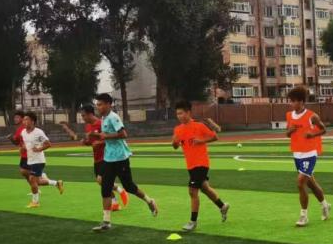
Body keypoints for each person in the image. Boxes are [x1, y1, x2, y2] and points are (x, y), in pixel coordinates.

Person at [88, 93, 158, 232]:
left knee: (129, 187)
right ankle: (106, 222)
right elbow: (107, 137)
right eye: (97, 105)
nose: (98, 107)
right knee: (105, 189)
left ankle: (150, 201)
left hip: (120, 158)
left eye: (100, 104)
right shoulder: (104, 118)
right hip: (108, 158)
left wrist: (106, 136)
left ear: (108, 104)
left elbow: (123, 134)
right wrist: (98, 137)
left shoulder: (113, 117)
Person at [172, 101, 229, 231]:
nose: (179, 116)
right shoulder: (178, 129)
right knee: (205, 188)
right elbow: (175, 146)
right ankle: (222, 206)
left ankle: (193, 221)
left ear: (188, 112)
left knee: (192, 191)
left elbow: (215, 137)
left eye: (181, 113)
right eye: (177, 114)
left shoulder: (199, 126)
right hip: (191, 165)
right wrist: (174, 142)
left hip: (201, 163)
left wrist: (201, 140)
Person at [285, 85, 330, 226]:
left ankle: (303, 216)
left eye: (293, 101)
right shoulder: (289, 115)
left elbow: (324, 130)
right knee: (311, 184)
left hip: (310, 153)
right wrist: (290, 131)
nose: (291, 103)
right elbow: (287, 134)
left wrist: (313, 134)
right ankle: (325, 205)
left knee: (300, 183)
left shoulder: (312, 116)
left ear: (301, 101)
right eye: (290, 101)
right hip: (297, 154)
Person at [81, 104, 128, 211]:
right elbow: (92, 142)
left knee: (101, 180)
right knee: (101, 183)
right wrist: (86, 142)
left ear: (90, 114)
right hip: (97, 158)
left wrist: (100, 143)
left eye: (83, 115)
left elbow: (109, 139)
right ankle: (115, 202)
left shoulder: (101, 123)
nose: (82, 118)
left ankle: (119, 191)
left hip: (106, 157)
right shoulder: (88, 126)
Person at [21, 111, 64, 208]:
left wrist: (39, 149)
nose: (24, 121)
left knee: (32, 179)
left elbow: (48, 144)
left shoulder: (38, 132)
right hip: (30, 160)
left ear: (32, 121)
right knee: (38, 181)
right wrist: (24, 147)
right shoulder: (23, 132)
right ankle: (57, 183)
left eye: (27, 119)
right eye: (24, 120)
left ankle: (35, 202)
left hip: (39, 160)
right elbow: (26, 143)